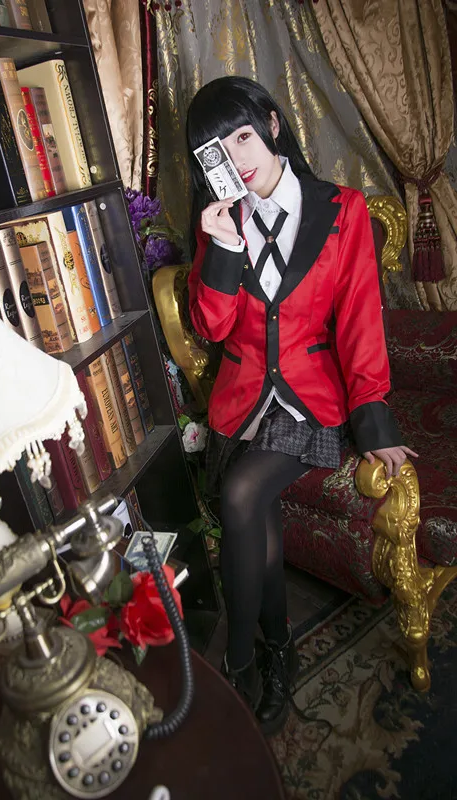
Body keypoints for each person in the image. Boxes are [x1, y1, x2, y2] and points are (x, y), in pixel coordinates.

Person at [186, 76, 417, 736]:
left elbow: (361, 322)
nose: (238, 160)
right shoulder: (221, 221)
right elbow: (210, 327)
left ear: (271, 123)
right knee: (257, 516)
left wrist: (373, 419)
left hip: (311, 399)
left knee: (241, 493)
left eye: (243, 137)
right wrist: (223, 248)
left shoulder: (342, 210)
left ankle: (237, 668)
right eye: (218, 151)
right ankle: (280, 651)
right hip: (243, 400)